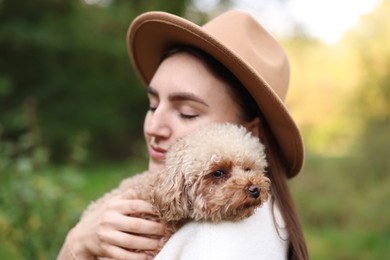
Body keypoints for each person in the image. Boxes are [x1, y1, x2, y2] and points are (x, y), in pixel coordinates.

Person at [58, 10, 308, 260]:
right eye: (153, 105)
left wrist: (74, 247)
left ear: (248, 133)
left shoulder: (225, 242)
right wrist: (79, 242)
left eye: (187, 113)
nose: (154, 127)